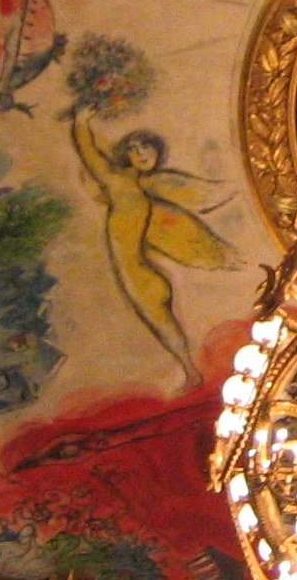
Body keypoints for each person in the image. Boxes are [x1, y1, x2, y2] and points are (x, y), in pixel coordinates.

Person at [70, 108, 237, 383]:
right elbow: (90, 154)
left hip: (139, 276)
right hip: (141, 275)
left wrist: (80, 123)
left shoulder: (149, 185)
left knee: (161, 321)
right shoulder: (117, 182)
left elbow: (196, 199)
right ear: (126, 155)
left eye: (147, 146)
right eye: (135, 148)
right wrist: (80, 122)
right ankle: (189, 370)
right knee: (162, 323)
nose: (143, 152)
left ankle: (190, 371)